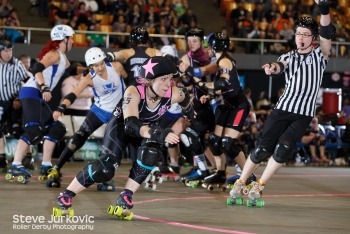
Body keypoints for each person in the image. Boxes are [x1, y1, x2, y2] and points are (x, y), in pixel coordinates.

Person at [53, 56, 194, 218]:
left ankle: (126, 195)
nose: (168, 84)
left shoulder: (174, 92)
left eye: (170, 79)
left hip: (144, 128)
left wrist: (189, 114)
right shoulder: (133, 92)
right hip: (122, 126)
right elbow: (131, 125)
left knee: (152, 153)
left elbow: (186, 100)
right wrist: (159, 133)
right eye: (163, 79)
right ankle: (66, 195)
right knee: (106, 168)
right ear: (149, 80)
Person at [229, 0, 335, 205]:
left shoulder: (320, 55)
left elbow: (327, 33)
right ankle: (241, 181)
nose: (301, 38)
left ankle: (259, 184)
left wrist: (323, 9)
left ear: (312, 38)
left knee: (283, 149)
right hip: (282, 110)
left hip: (303, 114)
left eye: (305, 34)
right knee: (261, 149)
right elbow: (280, 65)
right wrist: (271, 67)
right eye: (298, 33)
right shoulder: (289, 56)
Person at [6, 24, 78, 183]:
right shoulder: (54, 54)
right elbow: (36, 67)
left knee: (57, 128)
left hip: (37, 94)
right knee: (33, 130)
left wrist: (92, 70)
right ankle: (16, 164)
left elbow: (72, 69)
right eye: (70, 38)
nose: (73, 41)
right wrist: (44, 86)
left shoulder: (61, 56)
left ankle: (46, 164)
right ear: (63, 39)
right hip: (32, 91)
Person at [46, 47, 127, 188]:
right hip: (99, 110)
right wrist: (60, 108)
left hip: (119, 112)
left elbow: (130, 82)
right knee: (78, 137)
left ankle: (104, 175)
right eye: (96, 65)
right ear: (90, 67)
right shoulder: (89, 78)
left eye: (101, 63)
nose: (100, 68)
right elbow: (73, 94)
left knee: (111, 146)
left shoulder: (117, 67)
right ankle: (56, 168)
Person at [190, 33, 255, 187]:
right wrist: (211, 94)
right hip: (227, 105)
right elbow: (226, 87)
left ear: (214, 48)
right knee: (214, 141)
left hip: (238, 107)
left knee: (227, 143)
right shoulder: (220, 60)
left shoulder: (224, 61)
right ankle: (220, 173)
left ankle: (248, 176)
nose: (207, 50)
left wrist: (203, 86)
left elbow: (223, 84)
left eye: (208, 47)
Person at [0, 40, 28, 172]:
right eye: (5, 51)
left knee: (18, 130)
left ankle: (27, 156)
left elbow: (27, 82)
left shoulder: (17, 64)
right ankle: (1, 158)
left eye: (10, 50)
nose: (8, 53)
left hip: (14, 103)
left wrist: (18, 98)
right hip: (0, 102)